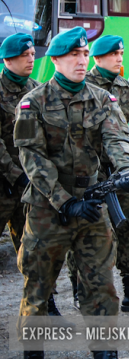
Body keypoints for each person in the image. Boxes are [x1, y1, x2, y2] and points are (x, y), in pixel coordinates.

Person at [14, 27, 129, 359]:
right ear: (56, 59)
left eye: (85, 55)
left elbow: (118, 139)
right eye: (74, 55)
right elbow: (32, 157)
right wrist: (64, 201)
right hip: (47, 210)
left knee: (101, 288)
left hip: (92, 208)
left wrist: (127, 168)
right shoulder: (33, 102)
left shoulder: (103, 98)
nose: (82, 60)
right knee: (38, 290)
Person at [68, 35, 129, 314]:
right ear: (98, 58)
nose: (119, 58)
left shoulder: (124, 86)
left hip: (121, 172)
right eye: (114, 54)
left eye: (121, 53)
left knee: (127, 227)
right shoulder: (85, 87)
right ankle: (79, 288)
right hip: (93, 174)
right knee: (86, 232)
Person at [0, 35, 47, 306]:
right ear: (7, 60)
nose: (31, 59)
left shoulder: (36, 90)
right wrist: (14, 175)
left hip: (30, 182)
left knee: (34, 247)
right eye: (24, 55)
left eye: (32, 54)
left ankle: (43, 302)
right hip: (5, 181)